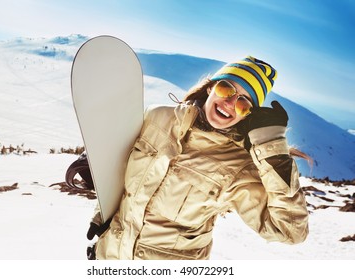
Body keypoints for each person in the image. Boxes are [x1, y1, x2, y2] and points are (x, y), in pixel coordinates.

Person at [86, 56, 309, 260]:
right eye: (226, 89)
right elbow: (124, 181)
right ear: (211, 86)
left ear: (248, 115)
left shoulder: (238, 166)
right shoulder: (157, 118)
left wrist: (273, 149)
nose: (230, 104)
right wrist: (100, 214)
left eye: (243, 103)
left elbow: (291, 231)